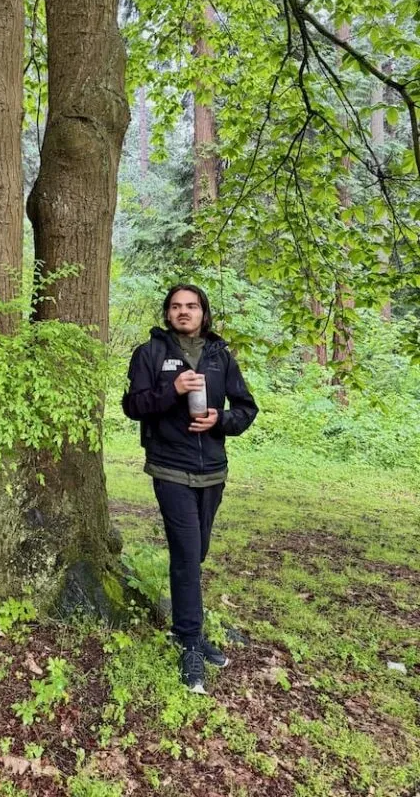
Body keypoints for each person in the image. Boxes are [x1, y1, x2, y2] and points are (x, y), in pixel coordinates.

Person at [122, 284, 258, 694]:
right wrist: (173, 390)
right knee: (185, 552)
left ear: (203, 312)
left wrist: (219, 420)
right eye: (177, 306)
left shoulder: (220, 355)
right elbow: (133, 406)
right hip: (171, 467)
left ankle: (189, 630)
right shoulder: (150, 354)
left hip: (213, 469)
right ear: (167, 313)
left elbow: (246, 409)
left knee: (196, 553)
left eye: (192, 306)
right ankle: (189, 641)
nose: (184, 312)